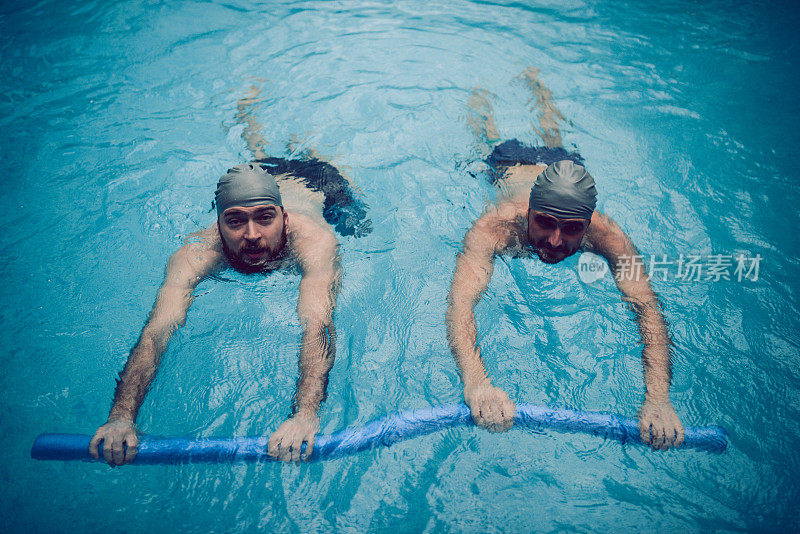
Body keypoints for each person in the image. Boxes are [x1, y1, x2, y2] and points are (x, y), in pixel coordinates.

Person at [90, 86, 370, 465]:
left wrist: (306, 414)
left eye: (265, 219)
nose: (251, 235)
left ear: (284, 217)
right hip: (266, 178)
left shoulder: (314, 241)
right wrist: (121, 417)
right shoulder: (198, 252)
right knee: (259, 155)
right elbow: (156, 332)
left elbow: (317, 323)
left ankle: (282, 128)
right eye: (235, 221)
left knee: (340, 194)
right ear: (218, 224)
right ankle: (247, 111)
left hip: (319, 184)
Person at [446, 68, 685, 450]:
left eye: (572, 229)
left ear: (587, 224)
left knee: (551, 131)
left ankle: (537, 86)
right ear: (528, 213)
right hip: (507, 163)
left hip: (560, 163)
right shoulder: (495, 228)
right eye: (544, 223)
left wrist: (658, 398)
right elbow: (461, 303)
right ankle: (480, 96)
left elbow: (647, 309)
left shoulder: (608, 236)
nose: (555, 242)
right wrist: (475, 380)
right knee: (488, 133)